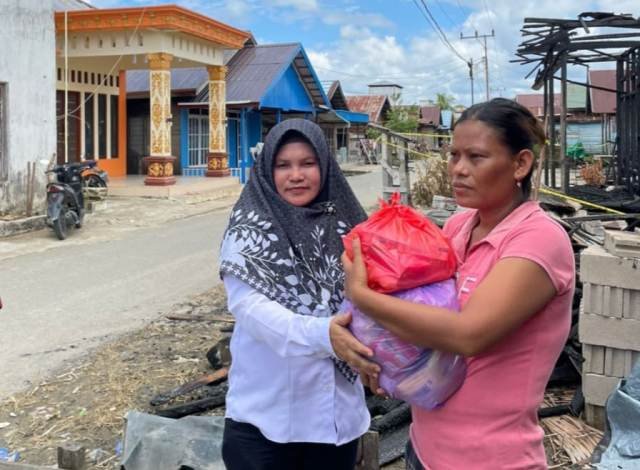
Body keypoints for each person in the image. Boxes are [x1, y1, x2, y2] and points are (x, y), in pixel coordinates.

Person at [342, 98, 575, 470]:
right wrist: (378, 359)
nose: (458, 169)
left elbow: (468, 335)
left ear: (520, 164)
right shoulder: (458, 227)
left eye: (476, 157)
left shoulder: (539, 239)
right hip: (423, 449)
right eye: (454, 155)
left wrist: (361, 297)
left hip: (491, 460)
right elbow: (419, 313)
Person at [218, 118, 378, 470]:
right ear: (267, 170)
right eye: (283, 165)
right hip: (266, 420)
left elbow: (372, 299)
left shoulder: (350, 226)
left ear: (326, 166)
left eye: (308, 163)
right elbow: (250, 308)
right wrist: (324, 335)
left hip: (336, 420)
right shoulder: (249, 232)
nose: (296, 175)